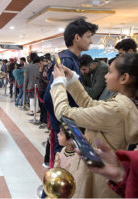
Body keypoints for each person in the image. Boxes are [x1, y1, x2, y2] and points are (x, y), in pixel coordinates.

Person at [50, 52, 138, 198]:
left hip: (98, 178)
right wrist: (71, 78)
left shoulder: (116, 109)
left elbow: (63, 113)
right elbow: (89, 104)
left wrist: (58, 83)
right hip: (100, 173)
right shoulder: (124, 104)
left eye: (110, 72)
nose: (105, 76)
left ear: (124, 78)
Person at [43, 18, 98, 163]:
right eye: (88, 36)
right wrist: (62, 125)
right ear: (77, 37)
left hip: (69, 122)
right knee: (63, 162)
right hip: (67, 126)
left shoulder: (71, 59)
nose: (91, 41)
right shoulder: (66, 61)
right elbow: (49, 97)